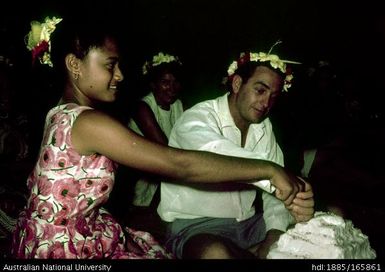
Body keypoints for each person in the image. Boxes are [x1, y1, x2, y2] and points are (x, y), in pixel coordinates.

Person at [11, 16, 305, 259]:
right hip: (60, 246)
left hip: (67, 230)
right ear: (74, 65)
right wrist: (268, 169)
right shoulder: (88, 122)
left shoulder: (61, 112)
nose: (120, 75)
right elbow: (180, 165)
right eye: (110, 65)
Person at [158, 47, 315, 259]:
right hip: (196, 227)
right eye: (260, 90)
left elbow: (273, 198)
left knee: (324, 226)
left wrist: (274, 234)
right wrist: (273, 174)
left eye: (273, 96)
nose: (266, 103)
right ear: (237, 84)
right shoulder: (196, 118)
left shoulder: (263, 127)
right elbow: (215, 156)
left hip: (247, 226)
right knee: (215, 254)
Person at [127, 52, 184, 208]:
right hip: (140, 178)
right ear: (153, 84)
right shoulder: (142, 107)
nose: (172, 88)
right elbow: (164, 150)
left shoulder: (177, 105)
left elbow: (184, 140)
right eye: (165, 82)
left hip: (168, 172)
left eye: (175, 82)